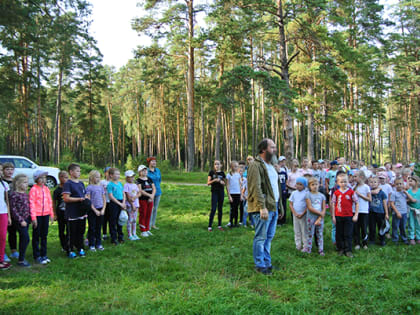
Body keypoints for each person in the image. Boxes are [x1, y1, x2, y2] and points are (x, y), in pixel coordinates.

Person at [247, 138, 284, 275]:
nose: (275, 150)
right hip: (263, 206)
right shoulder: (255, 165)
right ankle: (259, 265)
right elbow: (255, 187)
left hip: (273, 205)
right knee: (261, 237)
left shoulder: (271, 166)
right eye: (272, 147)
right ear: (263, 149)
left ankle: (267, 263)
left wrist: (279, 206)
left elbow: (276, 187)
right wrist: (262, 207)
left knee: (269, 237)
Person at [63, 163, 88, 258]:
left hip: (81, 211)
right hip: (72, 212)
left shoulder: (81, 183)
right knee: (72, 232)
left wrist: (86, 200)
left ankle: (80, 248)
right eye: (77, 171)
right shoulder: (68, 184)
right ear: (71, 172)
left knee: (81, 231)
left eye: (80, 171)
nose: (79, 173)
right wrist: (79, 199)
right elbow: (66, 198)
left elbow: (84, 195)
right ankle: (70, 250)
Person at [331, 173, 359, 257]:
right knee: (339, 233)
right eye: (341, 182)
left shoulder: (351, 192)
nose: (343, 184)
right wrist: (333, 216)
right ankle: (340, 249)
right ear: (338, 183)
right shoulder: (336, 193)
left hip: (348, 216)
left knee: (348, 233)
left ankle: (348, 250)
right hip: (338, 216)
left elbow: (357, 203)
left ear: (348, 182)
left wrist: (356, 215)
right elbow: (333, 204)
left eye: (345, 182)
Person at [29, 170, 54, 264]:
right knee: (36, 236)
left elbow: (49, 202)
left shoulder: (47, 189)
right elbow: (31, 204)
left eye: (45, 178)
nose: (44, 180)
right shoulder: (33, 189)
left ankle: (44, 254)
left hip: (46, 215)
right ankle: (37, 255)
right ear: (36, 179)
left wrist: (51, 214)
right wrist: (33, 217)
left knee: (44, 235)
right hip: (37, 215)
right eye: (41, 178)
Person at [9, 174, 31, 267]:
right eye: (25, 182)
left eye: (27, 182)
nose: (27, 184)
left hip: (26, 219)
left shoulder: (25, 194)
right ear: (18, 184)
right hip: (19, 220)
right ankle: (21, 260)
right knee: (25, 238)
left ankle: (21, 258)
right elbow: (13, 209)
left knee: (24, 238)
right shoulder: (14, 195)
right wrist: (20, 220)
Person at [303, 177, 326, 255]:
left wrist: (320, 218)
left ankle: (321, 249)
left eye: (316, 184)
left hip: (320, 219)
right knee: (310, 233)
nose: (315, 186)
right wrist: (321, 214)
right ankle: (308, 248)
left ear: (319, 185)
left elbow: (324, 208)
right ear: (309, 186)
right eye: (312, 185)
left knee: (319, 233)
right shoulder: (308, 195)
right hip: (311, 218)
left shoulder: (322, 196)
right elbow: (309, 207)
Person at [390, 178, 416, 244]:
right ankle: (395, 239)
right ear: (395, 185)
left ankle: (404, 238)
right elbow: (392, 204)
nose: (399, 185)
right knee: (395, 226)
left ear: (403, 184)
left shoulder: (404, 193)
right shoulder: (394, 193)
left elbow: (411, 199)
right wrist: (397, 212)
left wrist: (406, 193)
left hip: (404, 212)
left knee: (403, 226)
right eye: (397, 184)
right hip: (397, 213)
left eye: (400, 184)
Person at [86, 170, 106, 251]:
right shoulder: (89, 187)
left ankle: (99, 243)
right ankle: (91, 244)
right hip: (92, 210)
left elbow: (104, 199)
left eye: (99, 177)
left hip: (101, 209)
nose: (98, 179)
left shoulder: (101, 187)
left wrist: (103, 209)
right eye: (97, 177)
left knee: (99, 227)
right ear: (92, 178)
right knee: (92, 227)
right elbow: (88, 200)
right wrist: (95, 210)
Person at [2, 162, 18, 260]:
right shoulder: (2, 182)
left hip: (13, 210)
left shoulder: (15, 182)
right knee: (2, 233)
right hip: (3, 209)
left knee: (12, 231)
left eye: (11, 169)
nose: (9, 171)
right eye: (7, 169)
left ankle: (13, 250)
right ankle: (2, 252)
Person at [352, 171, 371, 250]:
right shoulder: (353, 187)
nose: (354, 178)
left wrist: (360, 195)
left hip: (364, 210)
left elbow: (369, 199)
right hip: (355, 210)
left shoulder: (366, 187)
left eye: (356, 176)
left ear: (361, 177)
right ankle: (357, 243)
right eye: (354, 177)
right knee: (356, 228)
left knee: (364, 227)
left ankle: (365, 243)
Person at [107, 167, 126, 245]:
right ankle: (114, 238)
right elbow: (111, 196)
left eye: (119, 174)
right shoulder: (110, 185)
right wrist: (119, 203)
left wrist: (123, 203)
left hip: (121, 202)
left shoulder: (120, 183)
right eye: (116, 174)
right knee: (113, 221)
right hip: (114, 203)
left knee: (120, 220)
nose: (118, 175)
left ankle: (120, 236)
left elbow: (123, 193)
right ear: (111, 175)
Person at [289, 177, 308, 251]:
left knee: (304, 230)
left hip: (303, 215)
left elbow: (308, 205)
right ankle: (298, 245)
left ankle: (305, 246)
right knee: (296, 230)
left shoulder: (306, 193)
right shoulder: (294, 193)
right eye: (297, 184)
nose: (298, 186)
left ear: (304, 185)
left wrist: (302, 213)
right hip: (295, 215)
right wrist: (294, 213)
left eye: (301, 184)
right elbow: (290, 204)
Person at [368, 176, 388, 246]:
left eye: (375, 182)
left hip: (380, 212)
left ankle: (382, 239)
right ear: (368, 183)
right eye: (371, 182)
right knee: (372, 227)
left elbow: (385, 203)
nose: (373, 183)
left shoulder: (382, 193)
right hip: (371, 212)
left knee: (381, 226)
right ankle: (372, 240)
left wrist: (386, 213)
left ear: (378, 183)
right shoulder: (368, 192)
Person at [207, 160, 226, 231]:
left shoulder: (222, 173)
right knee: (213, 208)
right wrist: (214, 180)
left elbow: (225, 183)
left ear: (221, 165)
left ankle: (219, 225)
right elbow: (208, 183)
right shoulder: (211, 173)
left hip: (221, 192)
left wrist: (222, 182)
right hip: (214, 192)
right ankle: (209, 226)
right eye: (215, 164)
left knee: (220, 209)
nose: (217, 166)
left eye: (218, 164)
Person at [137, 165, 155, 237]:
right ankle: (143, 229)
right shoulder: (138, 180)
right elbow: (140, 190)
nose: (145, 172)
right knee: (143, 213)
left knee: (148, 214)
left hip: (150, 199)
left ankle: (147, 229)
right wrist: (149, 195)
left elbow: (154, 188)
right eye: (143, 170)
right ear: (139, 172)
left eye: (145, 170)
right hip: (143, 199)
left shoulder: (149, 179)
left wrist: (152, 196)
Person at [53, 171, 69, 253]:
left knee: (69, 229)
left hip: (69, 212)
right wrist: (54, 214)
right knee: (61, 229)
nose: (66, 179)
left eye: (67, 177)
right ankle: (63, 245)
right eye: (64, 177)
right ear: (60, 178)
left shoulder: (69, 188)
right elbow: (54, 202)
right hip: (60, 212)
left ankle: (68, 244)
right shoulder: (57, 190)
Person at [0, 164, 11, 270]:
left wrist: (9, 216)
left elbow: (7, 200)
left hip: (3, 213)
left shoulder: (4, 184)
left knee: (2, 237)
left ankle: (1, 259)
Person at [124, 170, 140, 240]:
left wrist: (135, 197)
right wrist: (132, 204)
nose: (132, 178)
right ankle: (129, 234)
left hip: (136, 204)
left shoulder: (135, 185)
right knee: (130, 219)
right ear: (127, 178)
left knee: (134, 220)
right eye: (130, 177)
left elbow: (139, 193)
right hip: (130, 205)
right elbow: (127, 196)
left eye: (133, 176)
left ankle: (134, 233)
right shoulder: (126, 185)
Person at [147, 157, 162, 230]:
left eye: (155, 161)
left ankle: (153, 224)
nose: (154, 163)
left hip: (158, 192)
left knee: (155, 209)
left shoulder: (158, 170)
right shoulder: (146, 171)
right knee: (150, 209)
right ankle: (148, 225)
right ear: (149, 162)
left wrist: (156, 187)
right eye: (152, 161)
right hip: (149, 193)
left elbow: (159, 180)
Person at [226, 161, 241, 228]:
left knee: (236, 209)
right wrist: (229, 196)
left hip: (238, 193)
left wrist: (241, 194)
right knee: (232, 209)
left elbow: (240, 185)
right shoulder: (228, 175)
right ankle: (231, 222)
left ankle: (236, 223)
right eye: (235, 166)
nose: (236, 167)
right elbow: (227, 185)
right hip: (232, 194)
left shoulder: (238, 175)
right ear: (231, 166)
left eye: (237, 166)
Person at [407, 175, 420, 245]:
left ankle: (418, 237)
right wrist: (410, 200)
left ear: (416, 182)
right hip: (411, 210)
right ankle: (411, 237)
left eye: (411, 181)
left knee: (418, 224)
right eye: (409, 181)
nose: (409, 182)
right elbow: (406, 200)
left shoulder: (419, 191)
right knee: (411, 224)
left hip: (419, 210)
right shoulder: (409, 191)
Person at [277, 156, 288, 226]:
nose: (283, 163)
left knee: (284, 204)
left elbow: (286, 179)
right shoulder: (276, 169)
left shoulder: (285, 169)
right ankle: (278, 220)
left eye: (284, 161)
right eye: (281, 161)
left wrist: (285, 187)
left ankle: (283, 220)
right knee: (278, 205)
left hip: (283, 189)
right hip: (277, 189)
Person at [100, 167, 111, 240]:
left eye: (111, 173)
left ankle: (111, 232)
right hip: (104, 202)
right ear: (105, 173)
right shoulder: (102, 182)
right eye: (108, 172)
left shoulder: (113, 182)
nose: (109, 174)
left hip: (111, 202)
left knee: (111, 219)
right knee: (104, 219)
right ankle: (104, 233)